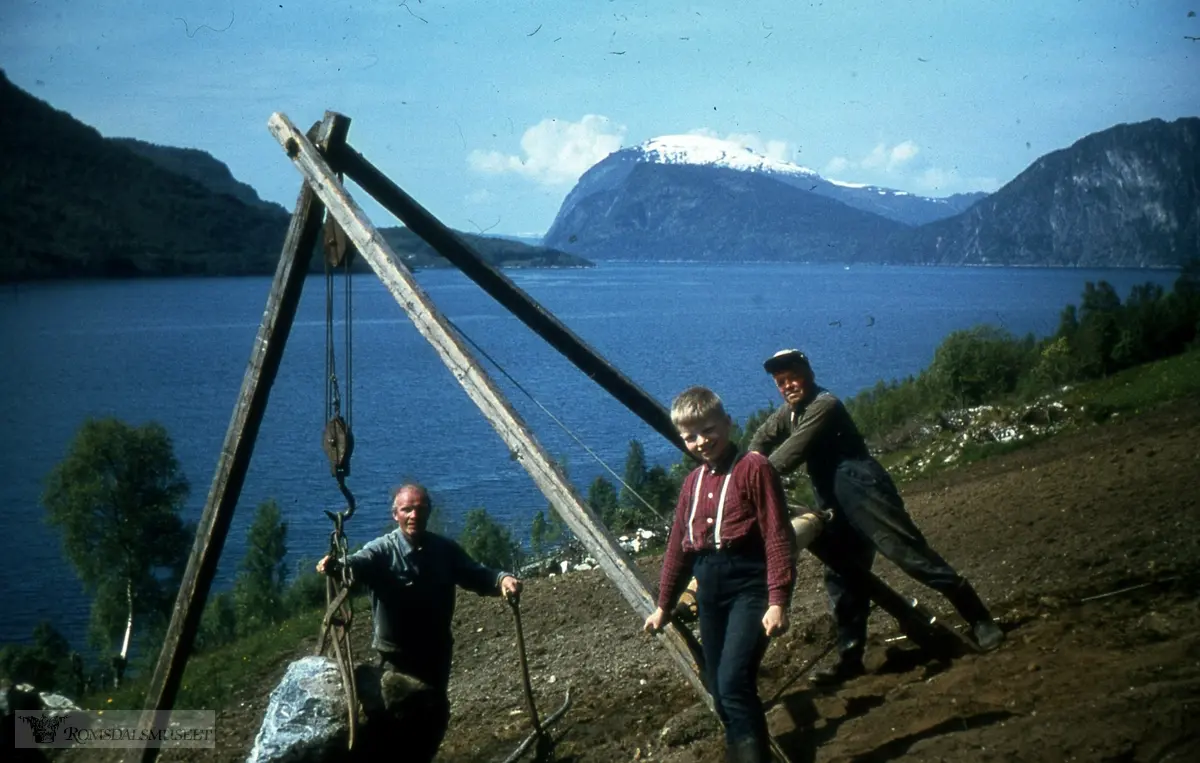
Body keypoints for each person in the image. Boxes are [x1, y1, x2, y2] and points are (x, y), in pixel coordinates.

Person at [748, 349, 1005, 686]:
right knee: (841, 574)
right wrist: (751, 462)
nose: (787, 385)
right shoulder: (789, 413)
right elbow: (761, 439)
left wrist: (748, 483)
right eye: (781, 382)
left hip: (863, 488)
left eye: (792, 377)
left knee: (909, 554)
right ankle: (850, 656)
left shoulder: (825, 405)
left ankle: (980, 619)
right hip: (831, 498)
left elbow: (789, 454)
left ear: (808, 372)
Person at [644, 386, 795, 763]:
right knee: (717, 684)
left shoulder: (753, 468)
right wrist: (663, 604)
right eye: (690, 436)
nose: (701, 441)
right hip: (710, 587)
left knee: (733, 683)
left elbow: (777, 536)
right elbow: (678, 547)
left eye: (708, 430)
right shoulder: (692, 483)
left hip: (749, 584)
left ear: (727, 423)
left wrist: (778, 601)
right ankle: (740, 752)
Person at [316, 483, 521, 760]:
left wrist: (501, 580)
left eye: (420, 509)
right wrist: (337, 566)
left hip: (435, 657)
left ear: (428, 512)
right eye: (407, 509)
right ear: (395, 515)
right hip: (395, 660)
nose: (414, 515)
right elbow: (357, 564)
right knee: (395, 723)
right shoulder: (382, 551)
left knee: (431, 720)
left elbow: (476, 574)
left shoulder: (444, 551)